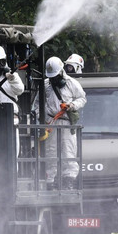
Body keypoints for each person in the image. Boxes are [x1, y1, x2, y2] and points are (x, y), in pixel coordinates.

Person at [32, 56, 87, 189]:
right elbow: (36, 105)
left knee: (68, 151)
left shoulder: (71, 83)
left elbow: (82, 98)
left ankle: (69, 180)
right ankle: (51, 180)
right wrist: (43, 119)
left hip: (66, 123)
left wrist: (71, 105)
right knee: (51, 153)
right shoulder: (45, 85)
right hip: (51, 123)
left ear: (61, 72)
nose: (54, 79)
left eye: (55, 76)